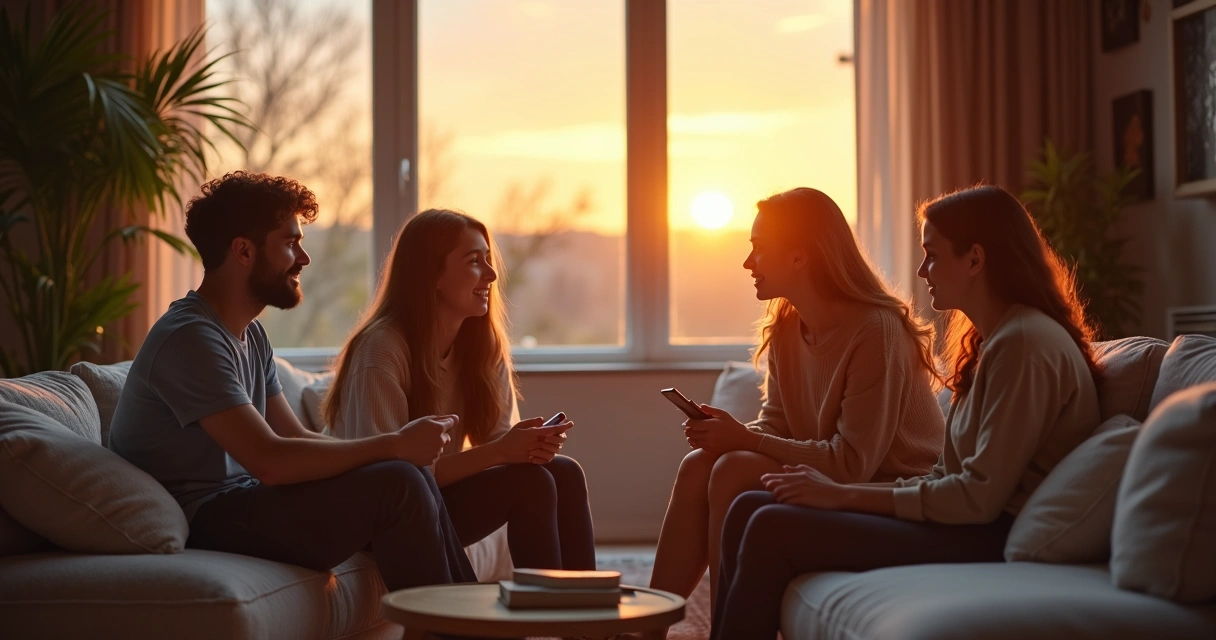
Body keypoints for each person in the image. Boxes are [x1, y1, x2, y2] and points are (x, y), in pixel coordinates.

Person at [710, 184, 1103, 639]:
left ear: (975, 260)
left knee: (770, 526)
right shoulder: (995, 341)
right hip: (966, 522)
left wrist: (843, 495)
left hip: (990, 534)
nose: (921, 270)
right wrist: (844, 495)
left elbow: (977, 499)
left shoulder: (1024, 345)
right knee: (748, 508)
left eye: (932, 255)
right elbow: (947, 477)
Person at [109, 172, 477, 591]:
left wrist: (395, 452)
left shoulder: (251, 334)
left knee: (405, 472)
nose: (303, 258)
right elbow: (271, 461)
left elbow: (294, 436)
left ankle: (460, 623)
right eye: (289, 243)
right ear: (243, 251)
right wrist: (392, 446)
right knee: (398, 479)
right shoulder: (190, 337)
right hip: (207, 515)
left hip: (243, 501)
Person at [649, 188, 945, 603]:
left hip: (888, 496)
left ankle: (726, 629)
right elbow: (777, 426)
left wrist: (744, 440)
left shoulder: (876, 331)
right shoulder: (788, 326)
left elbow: (851, 465)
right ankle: (647, 629)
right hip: (833, 481)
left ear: (799, 256)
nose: (748, 263)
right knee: (701, 463)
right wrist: (727, 434)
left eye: (760, 249)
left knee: (732, 468)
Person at [324, 208, 596, 571]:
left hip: (433, 497)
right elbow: (390, 481)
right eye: (473, 261)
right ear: (431, 275)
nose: (492, 273)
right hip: (380, 513)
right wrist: (502, 451)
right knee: (528, 484)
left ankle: (587, 617)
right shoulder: (382, 348)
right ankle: (545, 614)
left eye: (488, 258)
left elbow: (498, 441)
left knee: (564, 471)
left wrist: (528, 446)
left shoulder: (482, 346)